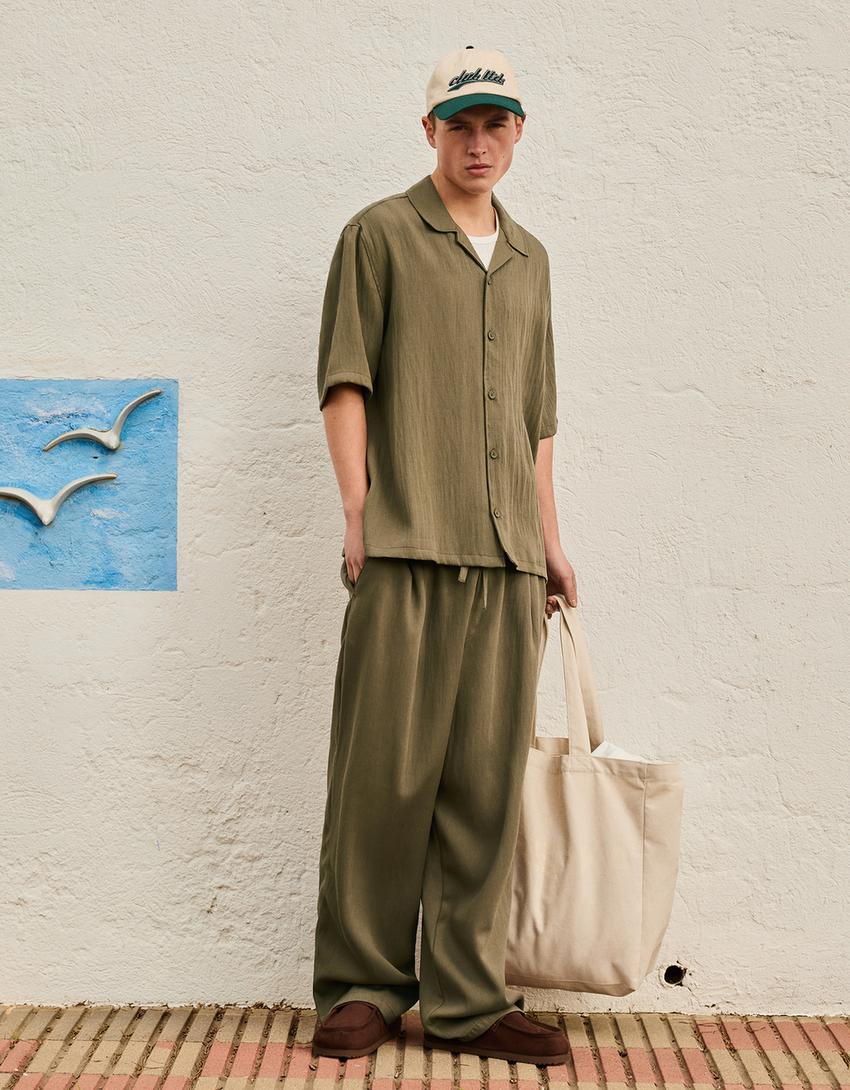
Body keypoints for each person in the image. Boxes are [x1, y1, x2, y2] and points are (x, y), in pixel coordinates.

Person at [311, 45, 577, 1066]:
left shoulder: (531, 259)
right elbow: (346, 381)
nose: (477, 142)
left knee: (482, 792)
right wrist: (358, 512)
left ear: (518, 133)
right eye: (459, 124)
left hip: (508, 561)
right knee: (382, 778)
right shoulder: (377, 235)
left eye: (495, 124)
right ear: (429, 130)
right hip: (407, 544)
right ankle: (364, 985)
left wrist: (550, 542)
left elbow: (536, 419)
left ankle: (466, 999)